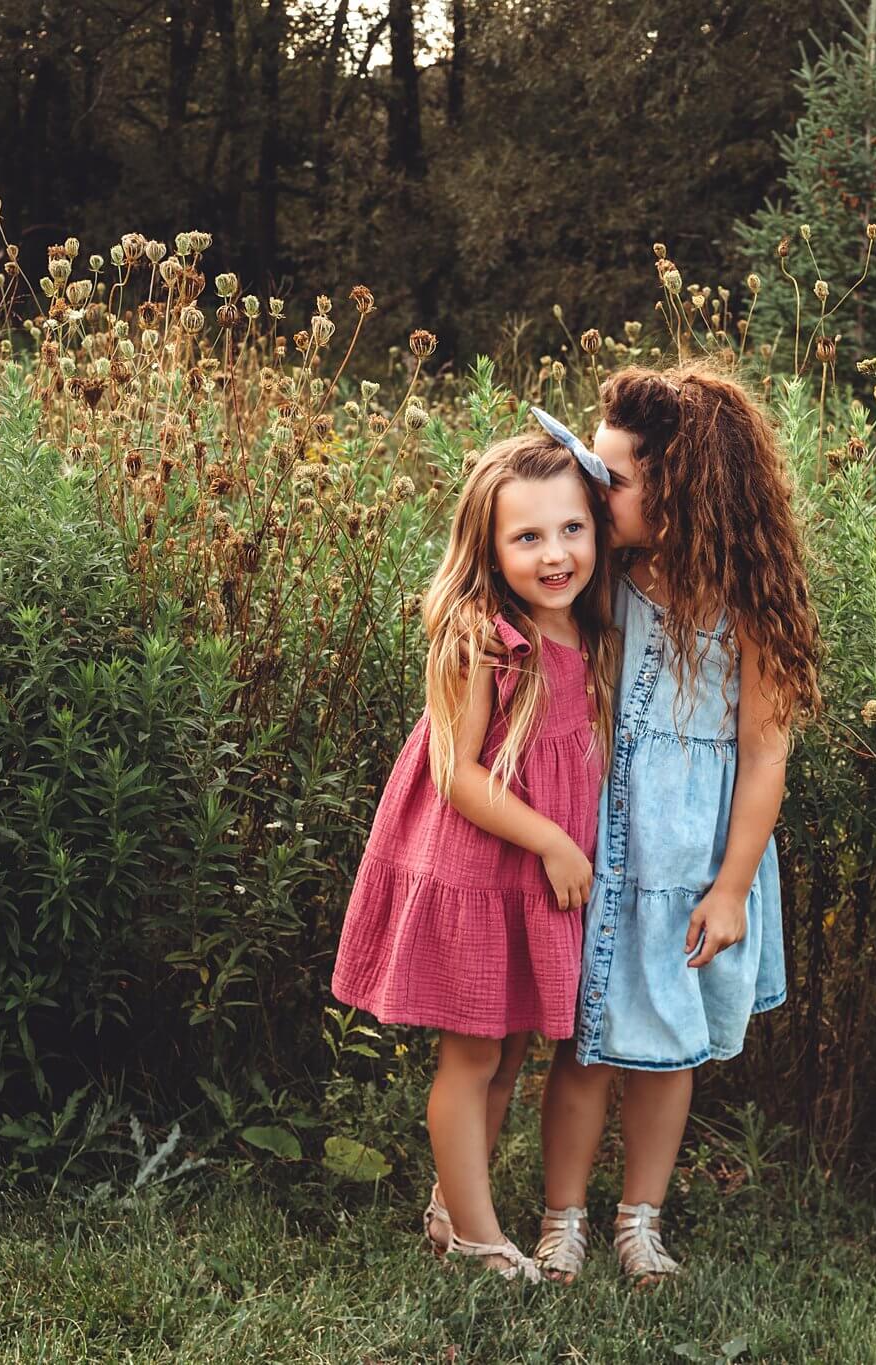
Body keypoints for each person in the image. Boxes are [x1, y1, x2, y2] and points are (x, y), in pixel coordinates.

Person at [532, 361, 822, 1285]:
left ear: (680, 492)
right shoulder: (599, 578)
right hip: (597, 855)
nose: (594, 490)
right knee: (586, 1049)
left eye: (613, 478)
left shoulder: (752, 607)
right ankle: (561, 1217)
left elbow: (767, 756)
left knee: (665, 1057)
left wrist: (733, 885)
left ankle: (639, 1220)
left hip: (692, 866)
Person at [332, 427, 615, 1281]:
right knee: (474, 1054)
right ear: (490, 550)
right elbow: (458, 778)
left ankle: (455, 1209)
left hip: (528, 881)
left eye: (571, 528)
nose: (555, 553)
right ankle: (482, 1238)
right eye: (527, 536)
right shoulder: (483, 640)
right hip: (478, 865)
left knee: (514, 1044)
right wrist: (555, 840)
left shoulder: (593, 634)